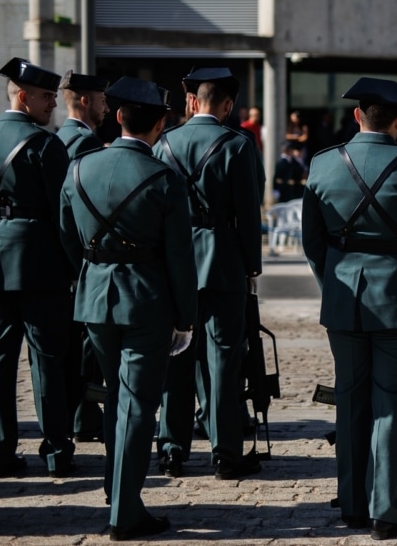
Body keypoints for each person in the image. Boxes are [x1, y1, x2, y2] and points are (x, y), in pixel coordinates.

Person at [302, 77, 397, 539]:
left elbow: (313, 244)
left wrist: (334, 282)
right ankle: (386, 510)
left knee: (350, 402)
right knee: (391, 405)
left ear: (357, 116)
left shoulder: (323, 164)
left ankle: (352, 503)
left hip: (345, 298)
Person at [59, 76, 199, 540]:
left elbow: (67, 240)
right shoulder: (165, 179)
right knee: (137, 405)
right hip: (147, 302)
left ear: (117, 117)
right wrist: (185, 317)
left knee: (119, 398)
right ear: (160, 124)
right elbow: (181, 257)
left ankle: (115, 486)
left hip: (95, 298)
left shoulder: (79, 168)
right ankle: (125, 510)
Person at [155, 67, 263, 481]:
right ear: (229, 105)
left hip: (176, 262)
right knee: (222, 360)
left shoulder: (165, 143)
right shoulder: (237, 144)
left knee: (175, 359)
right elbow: (248, 214)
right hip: (222, 262)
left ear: (194, 102)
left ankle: (171, 449)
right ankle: (225, 452)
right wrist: (252, 265)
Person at [0, 57, 75, 479]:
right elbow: (64, 214)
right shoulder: (45, 144)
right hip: (39, 262)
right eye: (47, 98)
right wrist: (74, 264)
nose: (53, 107)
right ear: (23, 97)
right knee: (47, 359)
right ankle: (56, 450)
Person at [56, 70, 110, 442]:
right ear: (86, 101)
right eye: (103, 100)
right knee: (87, 350)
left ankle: (79, 414)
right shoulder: (86, 144)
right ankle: (85, 416)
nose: (107, 108)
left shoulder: (59, 138)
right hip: (83, 260)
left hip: (61, 258)